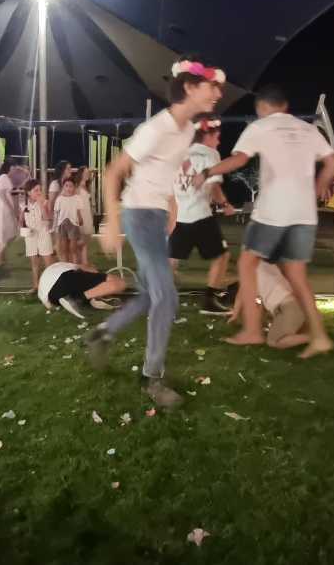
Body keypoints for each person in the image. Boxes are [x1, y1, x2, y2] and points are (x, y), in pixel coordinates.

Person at [88, 56, 226, 408]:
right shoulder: (156, 129)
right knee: (167, 296)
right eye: (211, 87)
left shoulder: (187, 130)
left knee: (153, 294)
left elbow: (169, 169)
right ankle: (152, 377)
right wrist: (112, 221)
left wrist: (172, 205)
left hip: (158, 215)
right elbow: (114, 171)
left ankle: (104, 333)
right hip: (137, 215)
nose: (218, 94)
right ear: (190, 88)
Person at [194, 85, 334, 357]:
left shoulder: (260, 127)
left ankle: (252, 330)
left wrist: (207, 172)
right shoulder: (307, 129)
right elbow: (332, 164)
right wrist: (317, 188)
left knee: (247, 263)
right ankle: (319, 336)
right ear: (284, 106)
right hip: (304, 213)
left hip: (274, 209)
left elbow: (239, 160)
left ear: (261, 107)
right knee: (297, 275)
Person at [170, 118, 236, 315]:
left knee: (171, 260)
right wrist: (225, 204)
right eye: (217, 137)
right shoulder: (210, 154)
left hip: (181, 216)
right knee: (222, 256)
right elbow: (213, 186)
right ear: (207, 136)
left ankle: (159, 297)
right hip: (200, 215)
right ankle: (210, 300)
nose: (219, 141)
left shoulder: (180, 154)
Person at [226, 261, 309, 349]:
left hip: (290, 307)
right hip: (295, 306)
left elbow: (241, 296)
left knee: (274, 341)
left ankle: (313, 337)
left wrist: (235, 314)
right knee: (284, 331)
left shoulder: (252, 270)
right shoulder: (266, 266)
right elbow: (257, 304)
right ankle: (307, 331)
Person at [37, 260, 126, 319]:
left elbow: (48, 305)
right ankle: (76, 298)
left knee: (90, 291)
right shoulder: (75, 268)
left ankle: (72, 298)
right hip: (64, 278)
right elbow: (91, 270)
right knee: (120, 283)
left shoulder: (60, 266)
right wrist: (98, 274)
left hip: (52, 297)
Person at [20, 179, 55, 291]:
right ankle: (36, 285)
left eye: (40, 190)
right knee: (34, 262)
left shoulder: (44, 202)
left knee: (48, 262)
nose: (39, 192)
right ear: (28, 192)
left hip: (43, 233)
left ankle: (51, 286)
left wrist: (41, 204)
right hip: (30, 236)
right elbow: (21, 220)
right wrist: (23, 228)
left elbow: (47, 218)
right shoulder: (23, 204)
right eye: (36, 190)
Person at [0, 161, 20, 264]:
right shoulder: (4, 178)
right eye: (14, 168)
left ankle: (0, 256)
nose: (15, 170)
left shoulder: (4, 178)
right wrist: (10, 208)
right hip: (3, 207)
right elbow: (2, 195)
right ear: (9, 168)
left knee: (5, 232)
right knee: (7, 231)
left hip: (2, 206)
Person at [53, 175, 85, 264]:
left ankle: (74, 267)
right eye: (66, 186)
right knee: (64, 248)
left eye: (71, 186)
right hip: (62, 225)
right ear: (63, 187)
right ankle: (66, 267)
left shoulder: (77, 198)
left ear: (74, 187)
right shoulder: (59, 199)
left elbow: (78, 212)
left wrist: (80, 220)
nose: (68, 188)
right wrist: (55, 226)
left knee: (73, 248)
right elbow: (56, 213)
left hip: (73, 225)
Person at [75, 168, 97, 268]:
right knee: (82, 239)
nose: (87, 174)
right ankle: (77, 259)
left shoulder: (86, 186)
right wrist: (79, 216)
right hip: (82, 215)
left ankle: (84, 262)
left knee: (87, 239)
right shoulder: (78, 188)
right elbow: (75, 203)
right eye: (85, 173)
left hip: (87, 214)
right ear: (81, 174)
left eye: (88, 173)